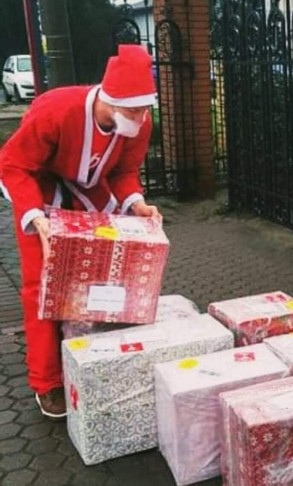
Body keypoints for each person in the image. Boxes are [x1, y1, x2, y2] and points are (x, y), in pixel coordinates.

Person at [0, 44, 161, 420]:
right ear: (111, 101)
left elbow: (122, 172)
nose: (141, 120)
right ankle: (47, 381)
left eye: (145, 110)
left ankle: (93, 353)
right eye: (134, 111)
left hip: (87, 190)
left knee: (102, 269)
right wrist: (35, 218)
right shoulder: (56, 111)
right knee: (42, 285)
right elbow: (13, 165)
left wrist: (136, 203)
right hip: (37, 190)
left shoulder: (137, 122)